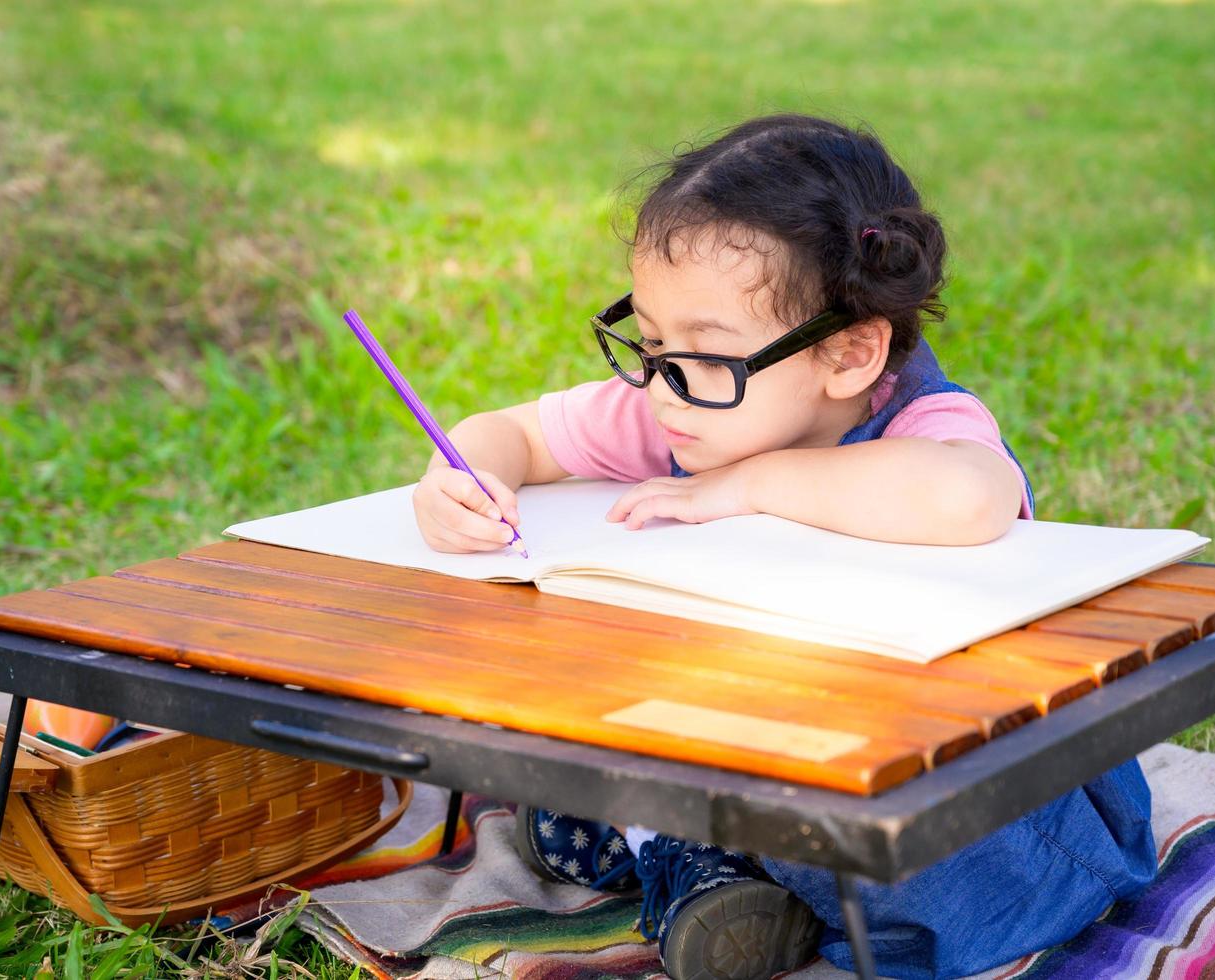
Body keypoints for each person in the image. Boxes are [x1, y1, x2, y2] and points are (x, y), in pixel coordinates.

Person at [408, 113, 1156, 980]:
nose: (659, 386)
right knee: (615, 685)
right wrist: (461, 477)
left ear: (845, 353)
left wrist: (748, 486)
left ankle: (668, 843)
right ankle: (686, 850)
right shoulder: (687, 403)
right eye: (647, 341)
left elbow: (967, 497)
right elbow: (510, 431)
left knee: (932, 888)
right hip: (773, 753)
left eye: (701, 355)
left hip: (973, 794)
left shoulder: (923, 424)